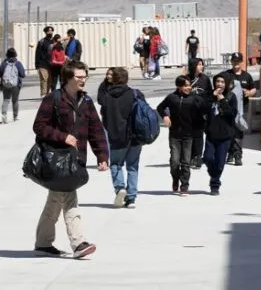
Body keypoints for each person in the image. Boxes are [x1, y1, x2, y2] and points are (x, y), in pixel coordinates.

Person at [32, 61, 108, 259]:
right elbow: (39, 127)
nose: (83, 80)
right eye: (79, 77)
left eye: (85, 76)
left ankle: (43, 243)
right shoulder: (53, 99)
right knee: (69, 199)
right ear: (67, 78)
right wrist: (62, 137)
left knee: (55, 201)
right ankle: (78, 242)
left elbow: (96, 130)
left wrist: (102, 155)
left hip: (76, 159)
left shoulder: (87, 102)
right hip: (57, 159)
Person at [101, 67, 146, 208]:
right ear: (127, 79)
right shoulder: (135, 94)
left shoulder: (107, 96)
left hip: (117, 136)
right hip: (135, 136)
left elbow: (105, 118)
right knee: (132, 166)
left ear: (113, 79)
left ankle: (120, 187)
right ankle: (131, 198)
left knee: (115, 164)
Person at [156, 76, 208, 195]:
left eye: (189, 85)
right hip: (174, 134)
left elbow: (205, 109)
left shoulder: (195, 98)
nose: (188, 88)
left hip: (189, 135)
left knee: (186, 162)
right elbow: (160, 107)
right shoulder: (172, 98)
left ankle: (184, 185)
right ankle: (175, 178)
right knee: (174, 162)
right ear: (179, 86)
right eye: (185, 86)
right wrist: (165, 116)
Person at [204, 74, 238, 195]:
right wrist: (211, 98)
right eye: (217, 81)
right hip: (211, 134)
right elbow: (202, 109)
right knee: (207, 158)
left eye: (222, 82)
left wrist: (222, 100)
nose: (219, 84)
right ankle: (214, 176)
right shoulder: (209, 96)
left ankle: (215, 184)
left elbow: (231, 114)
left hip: (225, 136)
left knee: (220, 163)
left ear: (226, 84)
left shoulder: (231, 97)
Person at [222, 53, 256, 166]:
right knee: (228, 132)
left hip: (242, 109)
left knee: (238, 132)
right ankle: (231, 152)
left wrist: (249, 93)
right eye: (234, 61)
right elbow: (219, 86)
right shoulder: (226, 75)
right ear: (231, 62)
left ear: (241, 62)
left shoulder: (247, 76)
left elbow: (254, 89)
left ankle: (237, 155)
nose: (236, 63)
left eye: (238, 61)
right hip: (228, 109)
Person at [187, 58, 213, 169]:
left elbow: (210, 95)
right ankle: (190, 156)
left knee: (198, 135)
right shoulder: (186, 78)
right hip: (188, 112)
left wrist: (207, 110)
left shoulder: (205, 79)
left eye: (202, 65)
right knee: (189, 135)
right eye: (199, 65)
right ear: (193, 66)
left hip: (201, 112)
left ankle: (198, 156)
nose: (201, 67)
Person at [0, 47, 26, 124]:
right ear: (15, 54)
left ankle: (4, 115)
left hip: (5, 84)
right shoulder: (18, 63)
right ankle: (15, 116)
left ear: (7, 54)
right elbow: (23, 75)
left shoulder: (3, 63)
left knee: (6, 100)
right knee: (15, 100)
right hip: (16, 85)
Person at [33, 26, 55, 97]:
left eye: (51, 31)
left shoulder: (54, 41)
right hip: (43, 64)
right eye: (48, 31)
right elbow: (37, 53)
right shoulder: (42, 42)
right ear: (45, 32)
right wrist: (37, 64)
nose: (50, 32)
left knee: (50, 80)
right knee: (44, 79)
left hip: (52, 65)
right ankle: (43, 93)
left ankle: (48, 94)